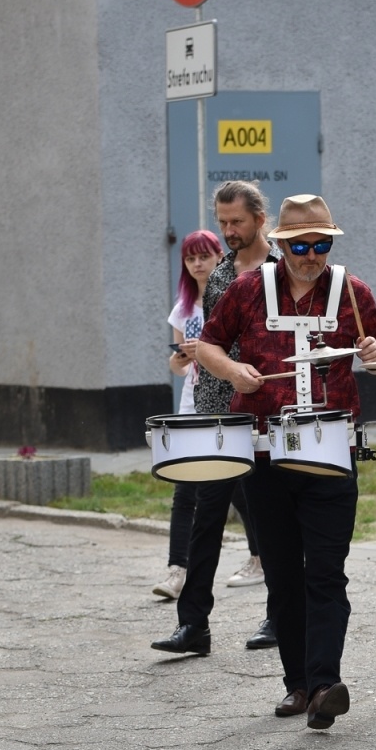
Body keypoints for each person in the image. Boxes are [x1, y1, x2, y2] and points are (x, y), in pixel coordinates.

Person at [191, 195, 376, 728]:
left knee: (326, 571)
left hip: (332, 451)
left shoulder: (353, 292)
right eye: (301, 247)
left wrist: (375, 356)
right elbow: (207, 345)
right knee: (282, 573)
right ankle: (297, 684)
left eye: (321, 245)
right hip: (263, 453)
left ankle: (325, 685)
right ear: (281, 244)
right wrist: (232, 371)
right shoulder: (248, 289)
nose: (311, 256)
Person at [157, 181, 279, 654]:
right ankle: (194, 626)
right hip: (217, 412)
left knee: (270, 519)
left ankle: (279, 617)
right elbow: (214, 341)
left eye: (237, 222)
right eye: (222, 222)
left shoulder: (281, 268)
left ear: (260, 220)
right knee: (206, 517)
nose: (228, 230)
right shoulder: (222, 272)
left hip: (266, 410)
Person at [154, 229, 224, 601]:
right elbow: (178, 368)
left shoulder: (229, 297)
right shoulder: (183, 308)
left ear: (218, 257)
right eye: (190, 258)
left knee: (238, 489)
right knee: (185, 489)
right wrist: (180, 358)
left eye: (204, 256)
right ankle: (176, 570)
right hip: (191, 404)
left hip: (226, 404)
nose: (197, 264)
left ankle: (259, 558)